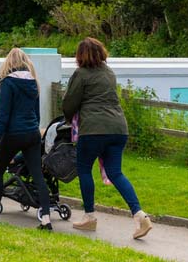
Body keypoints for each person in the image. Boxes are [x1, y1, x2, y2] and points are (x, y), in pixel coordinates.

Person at [60, 36, 153, 239]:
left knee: (84, 169)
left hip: (93, 130)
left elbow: (69, 103)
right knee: (115, 173)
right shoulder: (109, 73)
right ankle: (140, 215)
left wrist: (68, 117)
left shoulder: (81, 74)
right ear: (101, 52)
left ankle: (89, 217)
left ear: (80, 56)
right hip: (119, 128)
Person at [0, 47, 52, 229]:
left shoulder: (8, 83)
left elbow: (3, 116)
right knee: (37, 175)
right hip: (32, 134)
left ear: (9, 62)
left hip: (14, 133)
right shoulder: (34, 82)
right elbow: (37, 114)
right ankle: (46, 220)